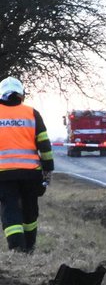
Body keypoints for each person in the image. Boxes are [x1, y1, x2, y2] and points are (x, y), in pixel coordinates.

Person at [0, 77, 54, 252]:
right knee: (30, 210)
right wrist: (48, 169)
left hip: (4, 174)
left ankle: (17, 248)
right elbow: (44, 145)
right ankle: (29, 247)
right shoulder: (32, 113)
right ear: (21, 94)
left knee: (11, 209)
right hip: (31, 173)